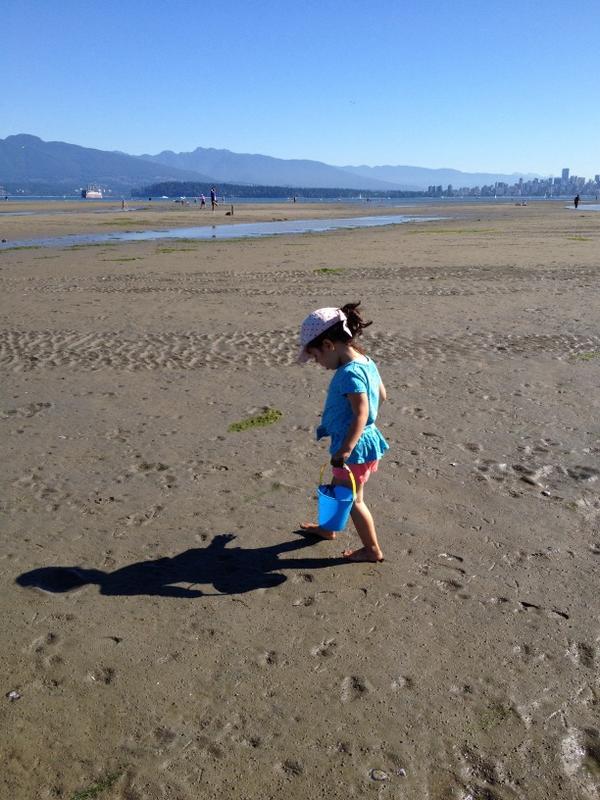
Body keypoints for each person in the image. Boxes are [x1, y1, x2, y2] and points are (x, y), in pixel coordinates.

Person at [298, 302, 388, 562]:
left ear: (328, 345)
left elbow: (361, 413)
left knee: (354, 500)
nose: (319, 363)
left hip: (354, 449)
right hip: (365, 441)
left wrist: (346, 448)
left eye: (316, 357)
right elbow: (382, 395)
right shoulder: (366, 361)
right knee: (339, 491)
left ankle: (372, 550)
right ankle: (327, 529)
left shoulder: (349, 373)